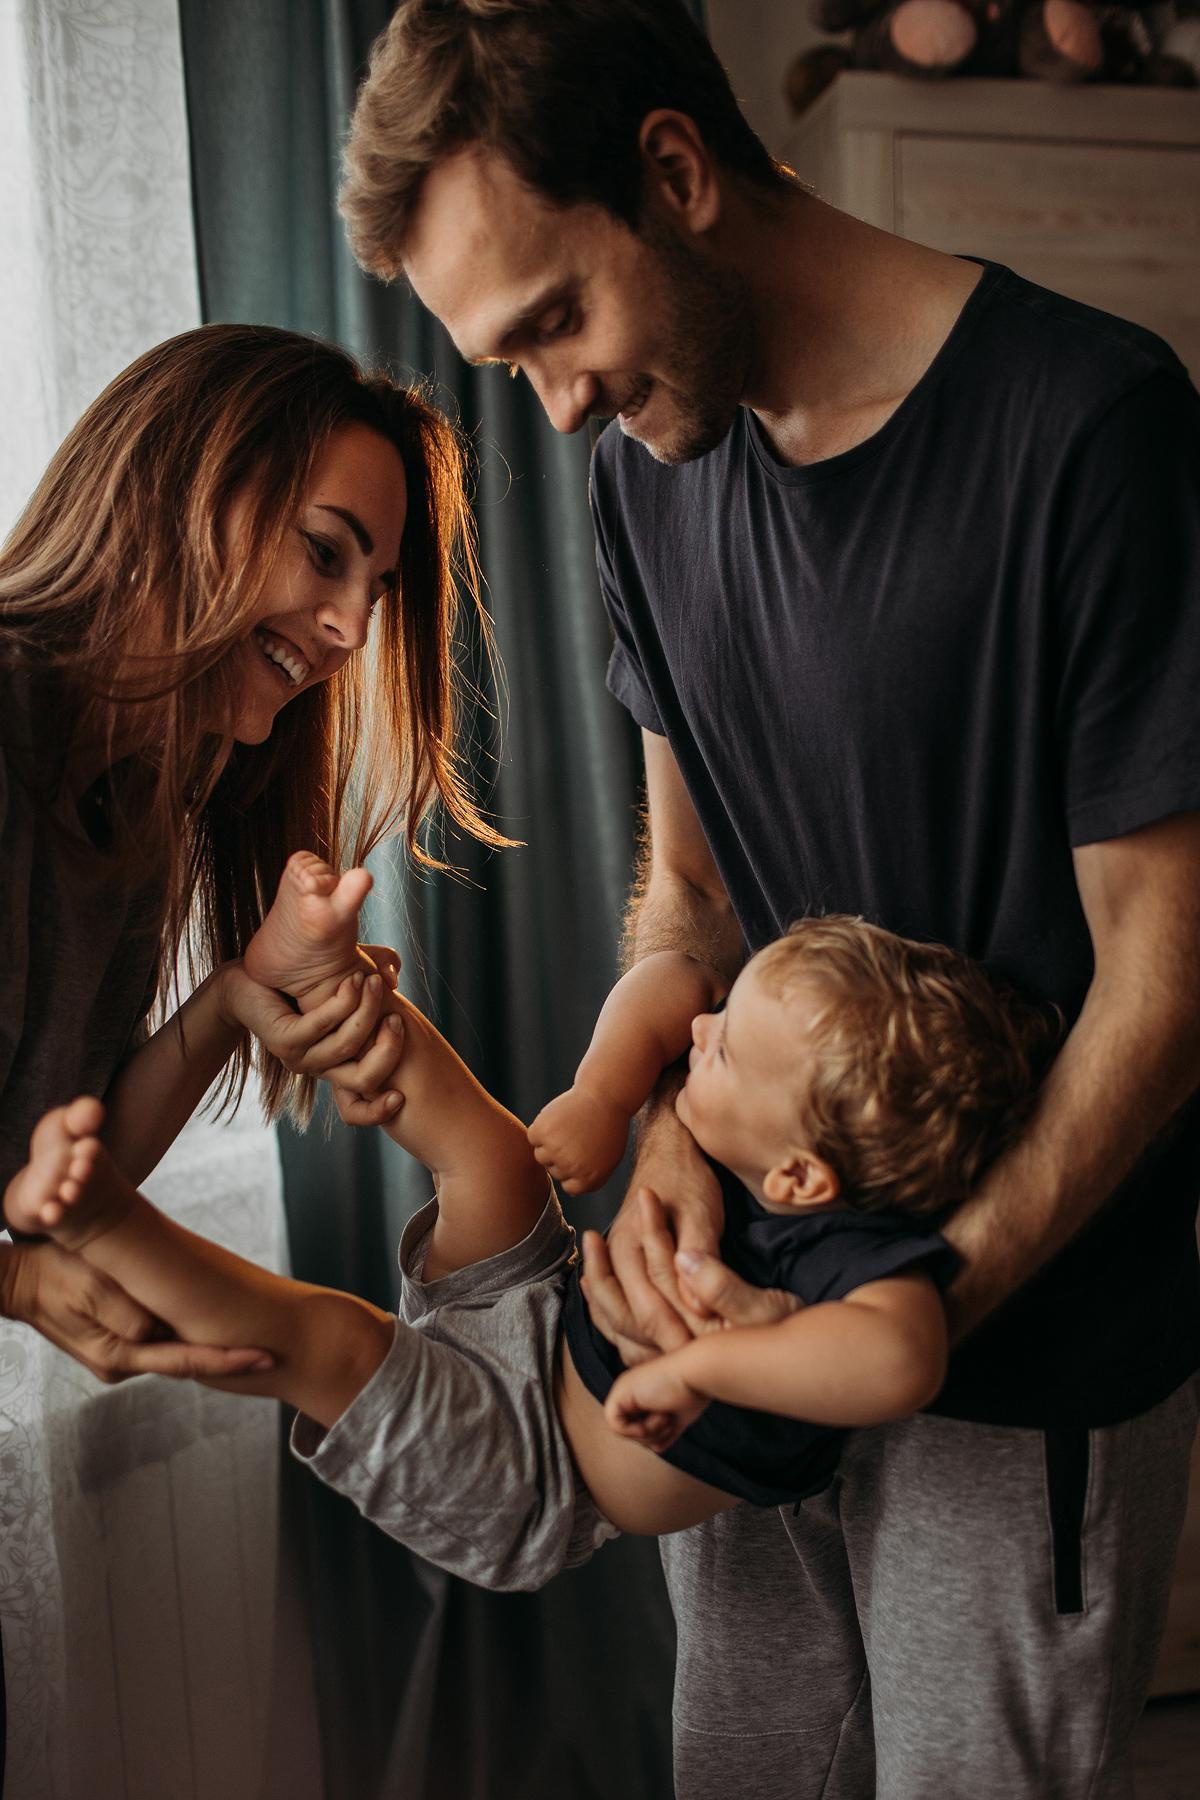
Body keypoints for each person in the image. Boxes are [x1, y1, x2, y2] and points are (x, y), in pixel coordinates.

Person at [336, 2, 1200, 1795]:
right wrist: (662, 1131)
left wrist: (910, 1311)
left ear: (676, 169)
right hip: (741, 1302)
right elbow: (693, 893)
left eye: (560, 318)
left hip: (1018, 1344)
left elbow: (1169, 979)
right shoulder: (644, 471)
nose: (557, 400)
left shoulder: (1092, 428)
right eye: (510, 360)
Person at [4, 853, 1057, 1588]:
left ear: (799, 1182)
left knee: (329, 1339)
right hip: (547, 1314)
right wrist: (605, 1095)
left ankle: (98, 1215)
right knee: (496, 1159)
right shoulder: (767, 1120)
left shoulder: (856, 1262)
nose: (700, 1029)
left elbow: (904, 1358)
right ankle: (317, 986)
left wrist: (702, 1370)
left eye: (724, 1049)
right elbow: (677, 976)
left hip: (532, 1471)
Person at [0, 321, 502, 1390]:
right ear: (173, 483)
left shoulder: (140, 803)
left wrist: (240, 995)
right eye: (325, 552)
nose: (354, 630)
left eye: (377, 587)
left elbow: (67, 1174)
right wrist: (13, 1288)